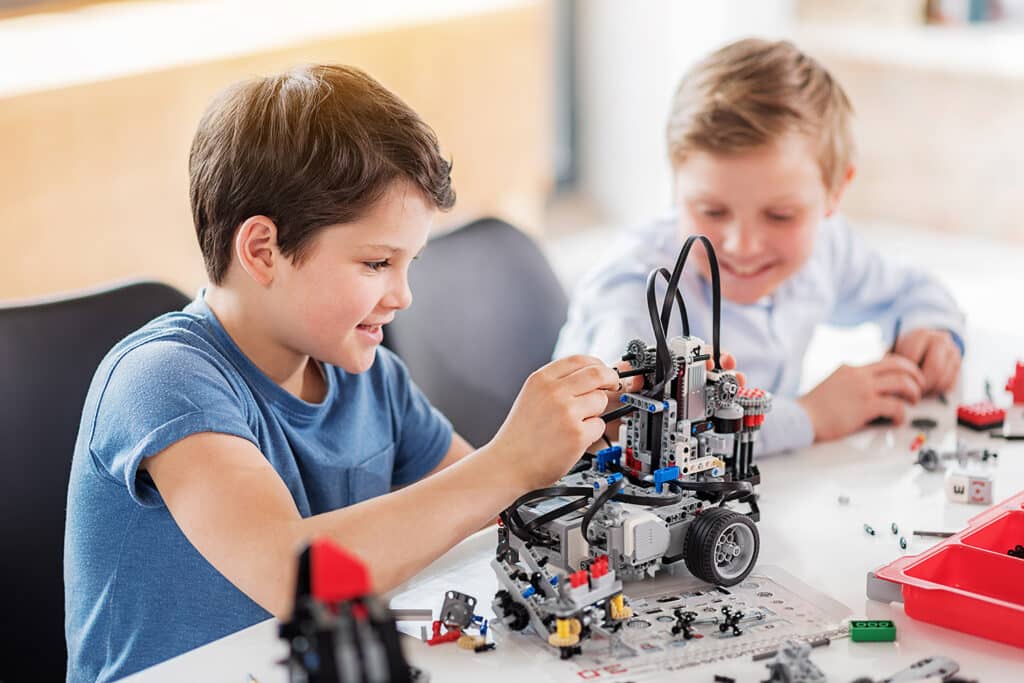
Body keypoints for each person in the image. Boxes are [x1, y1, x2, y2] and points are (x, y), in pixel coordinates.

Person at [63, 64, 623, 682]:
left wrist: (584, 445)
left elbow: (488, 512)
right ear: (262, 250)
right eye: (377, 262)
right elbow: (293, 574)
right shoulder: (162, 380)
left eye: (409, 263)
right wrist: (509, 461)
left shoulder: (370, 376)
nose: (404, 295)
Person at [554, 38, 964, 454]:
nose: (742, 245)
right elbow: (627, 432)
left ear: (835, 193)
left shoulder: (827, 247)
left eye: (780, 216)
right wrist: (810, 416)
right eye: (712, 211)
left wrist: (929, 329)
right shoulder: (636, 293)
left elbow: (912, 290)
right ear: (677, 186)